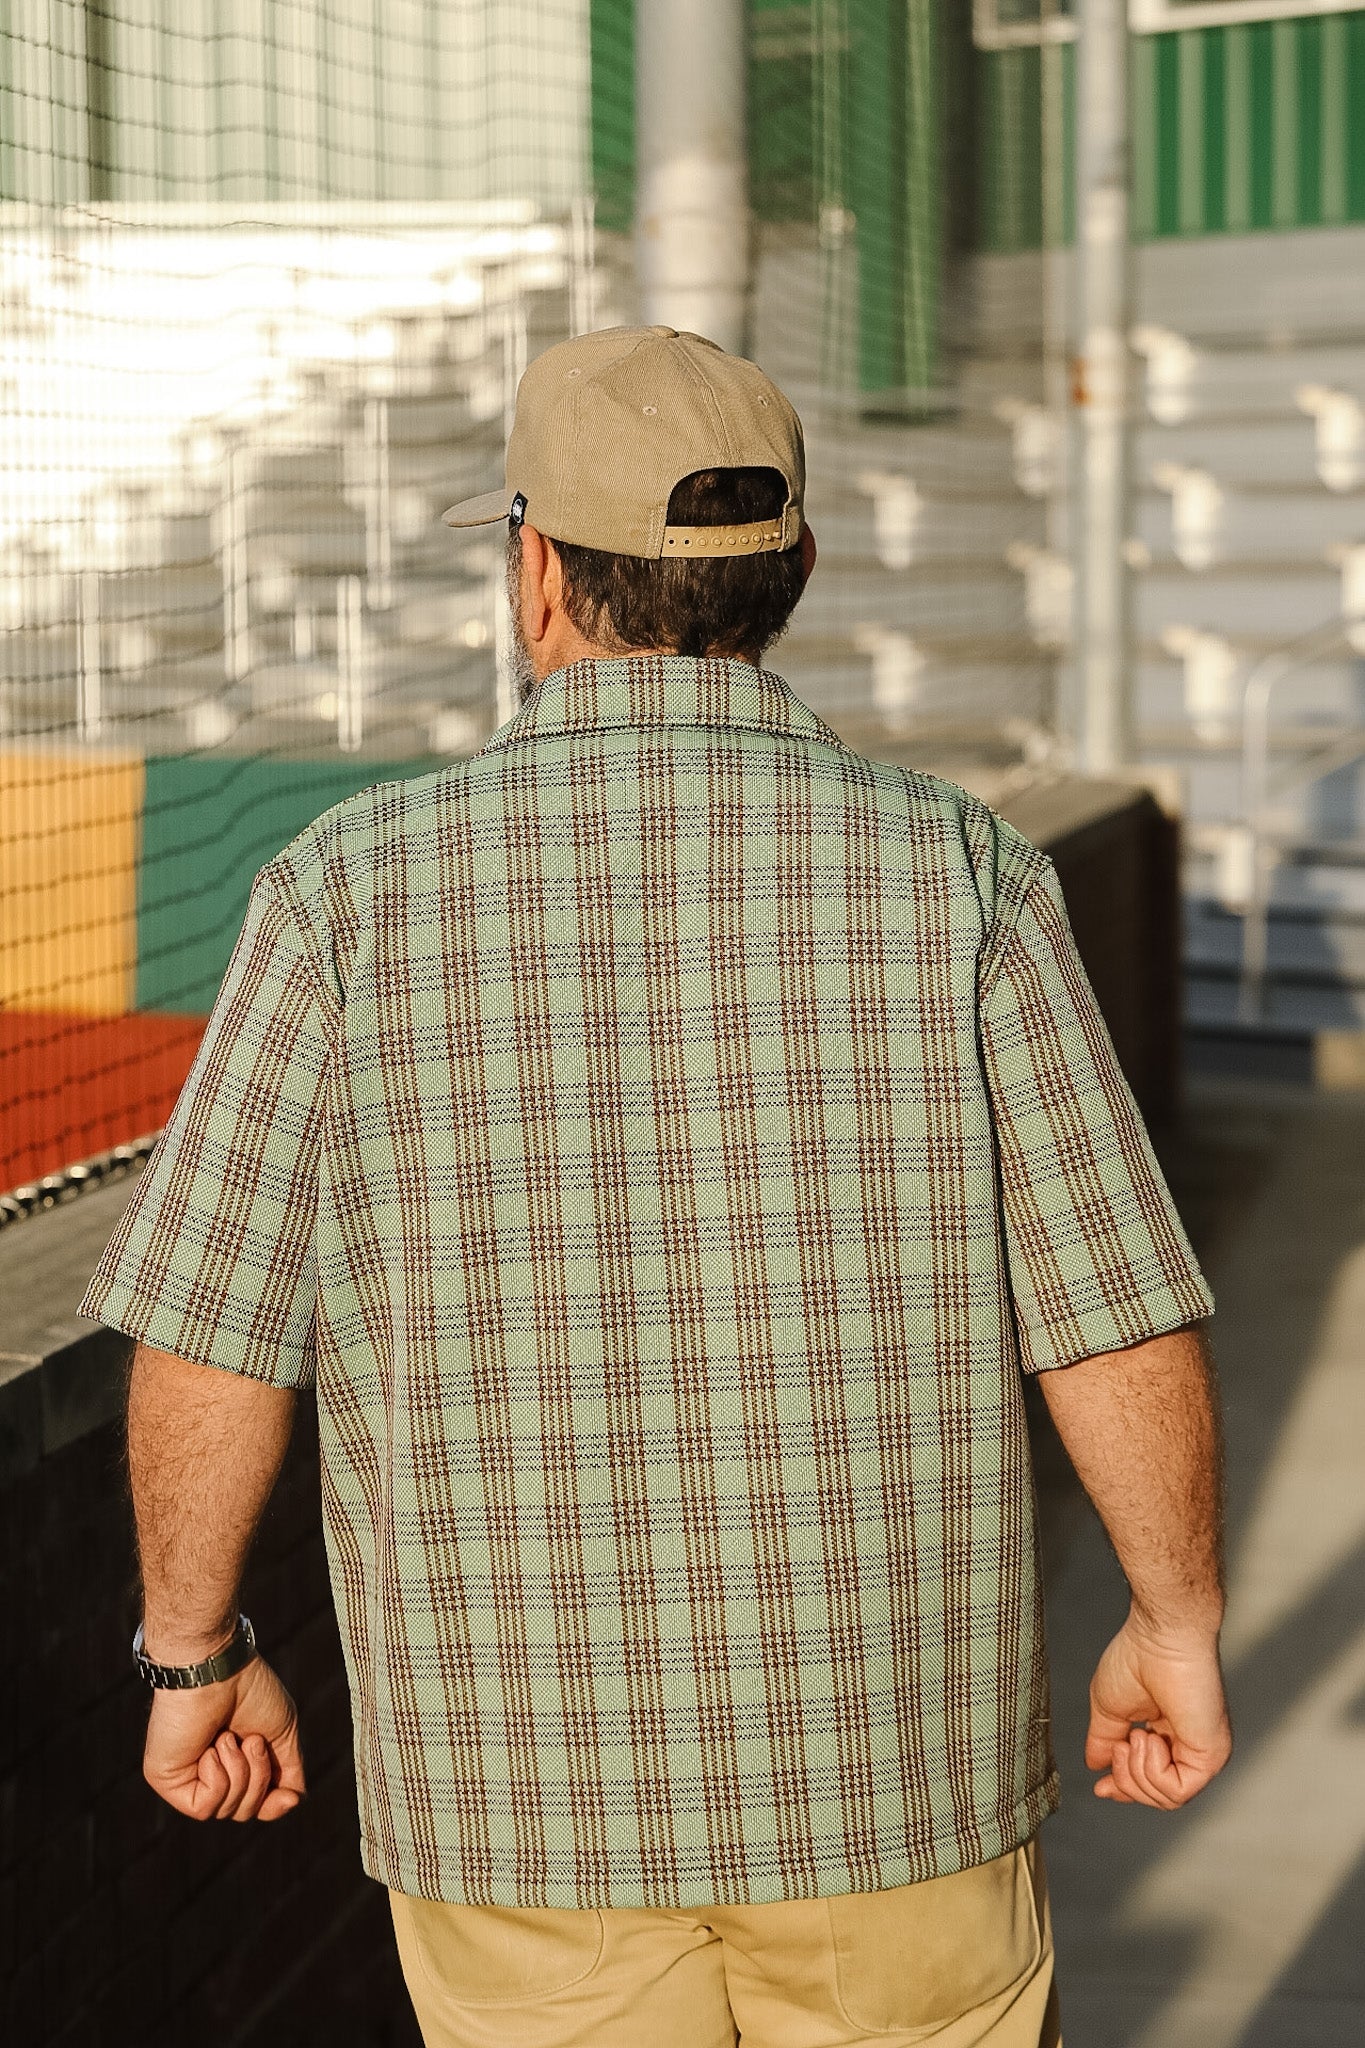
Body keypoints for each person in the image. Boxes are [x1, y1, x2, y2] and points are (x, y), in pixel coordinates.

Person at [81, 326, 1232, 2048]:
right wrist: (1175, 1619)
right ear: (797, 570)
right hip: (898, 1789)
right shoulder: (964, 874)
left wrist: (192, 1654)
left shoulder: (344, 893)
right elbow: (1113, 1315)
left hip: (514, 1806)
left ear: (536, 570)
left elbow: (214, 1341)